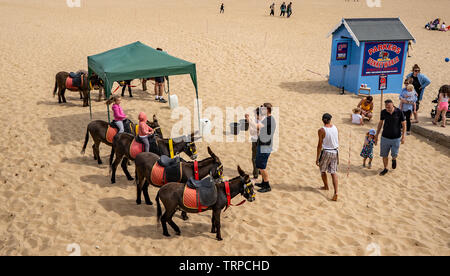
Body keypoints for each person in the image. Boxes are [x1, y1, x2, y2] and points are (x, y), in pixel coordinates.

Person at [375, 99, 406, 176]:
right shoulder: (383, 112)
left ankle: (394, 159)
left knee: (394, 153)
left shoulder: (399, 112)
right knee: (384, 155)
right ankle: (385, 168)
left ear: (393, 105)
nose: (387, 109)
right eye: (386, 107)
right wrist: (376, 135)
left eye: (389, 107)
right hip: (385, 137)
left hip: (396, 138)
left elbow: (404, 124)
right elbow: (380, 123)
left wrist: (403, 136)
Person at [316, 113, 339, 201]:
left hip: (326, 152)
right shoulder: (335, 127)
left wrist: (317, 158)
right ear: (330, 120)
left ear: (322, 120)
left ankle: (326, 186)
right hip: (335, 151)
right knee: (333, 172)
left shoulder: (321, 130)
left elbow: (319, 145)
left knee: (322, 170)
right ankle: (336, 192)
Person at [255, 103, 276, 193]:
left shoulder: (269, 120)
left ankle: (267, 185)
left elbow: (257, 126)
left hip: (265, 146)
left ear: (267, 110)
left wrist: (249, 120)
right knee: (260, 165)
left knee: (262, 167)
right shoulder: (268, 119)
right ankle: (263, 182)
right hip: (264, 144)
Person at [245, 107, 263, 179]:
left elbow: (257, 127)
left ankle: (256, 174)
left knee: (255, 158)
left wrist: (249, 120)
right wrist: (248, 119)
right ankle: (260, 171)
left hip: (258, 141)